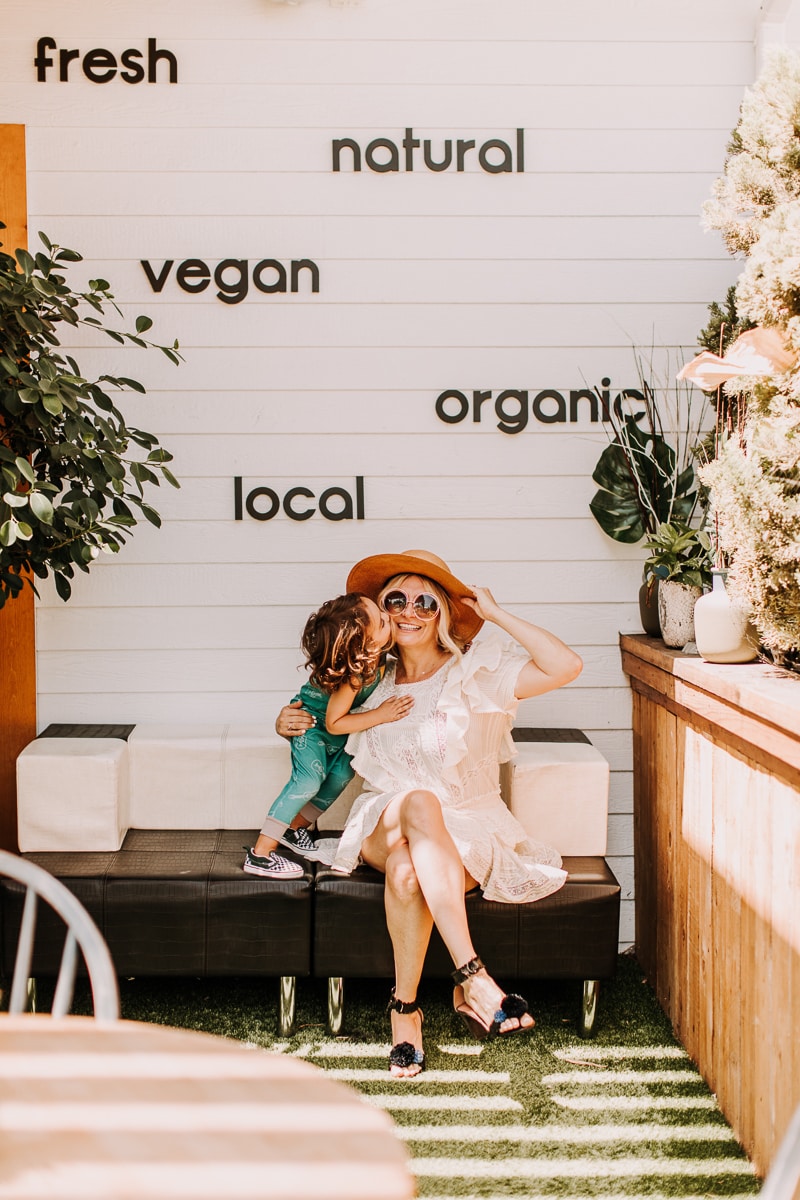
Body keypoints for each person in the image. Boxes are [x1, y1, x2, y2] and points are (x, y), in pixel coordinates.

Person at [275, 550, 583, 1077]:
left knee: (406, 872)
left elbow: (566, 666)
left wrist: (495, 613)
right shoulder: (369, 679)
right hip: (383, 819)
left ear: (442, 613)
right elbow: (319, 720)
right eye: (396, 599)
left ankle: (405, 1010)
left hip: (467, 826)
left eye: (426, 601)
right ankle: (473, 974)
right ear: (380, 613)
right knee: (418, 802)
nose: (410, 610)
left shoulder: (477, 674)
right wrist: (287, 720)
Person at [244, 593, 412, 879]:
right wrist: (382, 715)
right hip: (312, 726)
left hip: (340, 731)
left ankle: (294, 830)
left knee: (340, 777)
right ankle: (260, 854)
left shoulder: (377, 656)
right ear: (367, 646)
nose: (390, 617)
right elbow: (333, 723)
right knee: (308, 782)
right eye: (383, 621)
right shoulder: (356, 674)